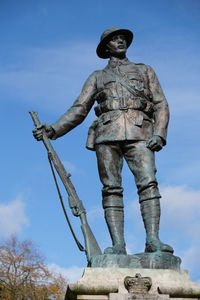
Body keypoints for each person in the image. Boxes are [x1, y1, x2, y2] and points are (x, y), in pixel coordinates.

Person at [33, 27, 173, 255]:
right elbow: (79, 109)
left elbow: (161, 104)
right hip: (107, 134)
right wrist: (53, 129)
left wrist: (160, 133)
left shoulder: (145, 70)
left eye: (123, 39)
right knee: (111, 189)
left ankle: (153, 240)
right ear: (105, 47)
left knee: (148, 184)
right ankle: (118, 246)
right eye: (114, 39)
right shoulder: (97, 77)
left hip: (141, 132)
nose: (120, 41)